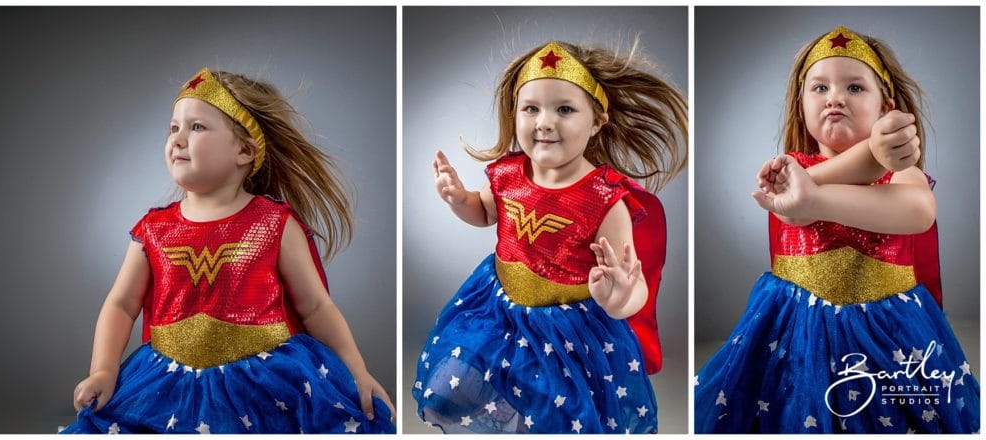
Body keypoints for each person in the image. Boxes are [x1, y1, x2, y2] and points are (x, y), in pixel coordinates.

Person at [61, 68, 395, 434]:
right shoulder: (153, 230)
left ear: (244, 150)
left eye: (197, 127)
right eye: (174, 128)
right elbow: (121, 305)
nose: (178, 139)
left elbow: (316, 307)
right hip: (167, 385)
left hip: (263, 385)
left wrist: (357, 373)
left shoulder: (274, 224)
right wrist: (104, 371)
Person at [694, 26, 980, 433]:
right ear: (801, 105)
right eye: (820, 87)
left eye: (855, 88)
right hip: (793, 331)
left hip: (886, 333)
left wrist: (822, 197)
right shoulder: (788, 171)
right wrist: (817, 188)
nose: (835, 97)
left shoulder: (900, 173)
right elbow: (795, 206)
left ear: (886, 107)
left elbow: (918, 210)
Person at [412, 41, 687, 433]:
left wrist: (621, 295)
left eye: (564, 109)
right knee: (465, 388)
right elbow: (485, 212)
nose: (544, 121)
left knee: (557, 415)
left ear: (596, 121)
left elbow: (635, 280)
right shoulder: (507, 175)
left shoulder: (604, 200)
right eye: (531, 108)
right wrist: (459, 200)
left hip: (567, 332)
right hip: (499, 309)